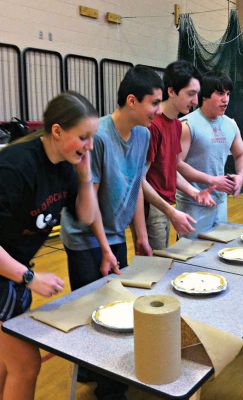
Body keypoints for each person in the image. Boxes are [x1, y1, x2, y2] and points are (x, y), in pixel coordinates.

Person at [60, 65, 163, 400]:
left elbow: (134, 187)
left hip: (114, 237)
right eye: (153, 103)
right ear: (131, 101)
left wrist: (141, 237)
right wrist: (105, 249)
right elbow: (90, 203)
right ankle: (107, 387)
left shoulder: (144, 134)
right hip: (86, 238)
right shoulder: (100, 136)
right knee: (98, 313)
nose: (157, 111)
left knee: (117, 307)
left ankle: (99, 371)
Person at [0, 91, 99, 400]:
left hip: (12, 272)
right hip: (9, 273)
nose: (89, 146)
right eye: (83, 137)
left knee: (6, 366)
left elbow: (85, 216)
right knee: (26, 365)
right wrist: (30, 279)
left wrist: (84, 177)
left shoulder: (66, 167)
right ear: (57, 131)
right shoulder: (15, 167)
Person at [143, 60, 216, 249]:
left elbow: (171, 169)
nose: (195, 101)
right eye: (190, 94)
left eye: (197, 95)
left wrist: (195, 192)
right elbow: (140, 179)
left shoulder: (176, 125)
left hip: (166, 204)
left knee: (164, 262)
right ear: (171, 91)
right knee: (154, 267)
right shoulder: (153, 126)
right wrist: (169, 211)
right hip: (152, 207)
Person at [176, 70, 243, 235]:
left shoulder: (230, 124)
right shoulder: (186, 125)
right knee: (192, 256)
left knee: (218, 254)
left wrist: (241, 176)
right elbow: (176, 164)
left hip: (220, 202)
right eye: (220, 93)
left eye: (228, 94)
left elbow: (241, 155)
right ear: (205, 95)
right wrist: (212, 180)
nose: (226, 99)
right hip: (193, 203)